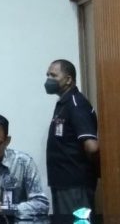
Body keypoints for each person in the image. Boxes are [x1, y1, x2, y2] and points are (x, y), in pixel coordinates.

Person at [45, 59, 99, 215]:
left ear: (68, 79)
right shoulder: (64, 103)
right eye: (48, 75)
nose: (49, 79)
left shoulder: (77, 104)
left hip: (75, 185)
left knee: (78, 222)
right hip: (62, 183)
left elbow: (92, 147)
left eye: (53, 75)